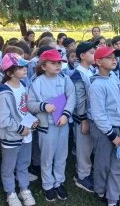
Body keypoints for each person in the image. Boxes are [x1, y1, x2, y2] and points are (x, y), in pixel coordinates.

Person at [27, 50, 76, 202]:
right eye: (53, 63)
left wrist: (66, 114)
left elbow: (71, 97)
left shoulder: (65, 79)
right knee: (47, 156)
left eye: (59, 63)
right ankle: (47, 184)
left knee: (62, 154)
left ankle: (58, 182)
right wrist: (44, 106)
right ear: (43, 66)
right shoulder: (37, 83)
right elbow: (30, 104)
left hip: (62, 124)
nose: (57, 66)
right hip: (46, 126)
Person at [88, 46, 120, 206]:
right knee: (103, 164)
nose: (114, 59)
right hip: (104, 132)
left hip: (118, 128)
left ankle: (112, 197)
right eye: (109, 57)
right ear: (98, 62)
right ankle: (100, 190)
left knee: (118, 164)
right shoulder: (97, 86)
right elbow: (99, 115)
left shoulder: (113, 76)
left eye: (115, 56)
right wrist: (112, 136)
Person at [0, 53, 38, 206]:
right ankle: (10, 192)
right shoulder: (4, 93)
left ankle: (24, 189)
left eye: (25, 66)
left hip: (26, 134)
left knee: (24, 163)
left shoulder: (24, 86)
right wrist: (20, 129)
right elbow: (3, 120)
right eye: (20, 67)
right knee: (8, 166)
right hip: (12, 136)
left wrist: (31, 121)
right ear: (9, 72)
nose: (25, 69)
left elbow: (24, 110)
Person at [70, 41, 98, 193]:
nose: (95, 55)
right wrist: (84, 120)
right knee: (83, 147)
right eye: (92, 52)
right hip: (82, 119)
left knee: (88, 146)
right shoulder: (78, 74)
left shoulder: (90, 71)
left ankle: (85, 171)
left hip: (90, 116)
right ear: (82, 56)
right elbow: (80, 102)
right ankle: (82, 176)